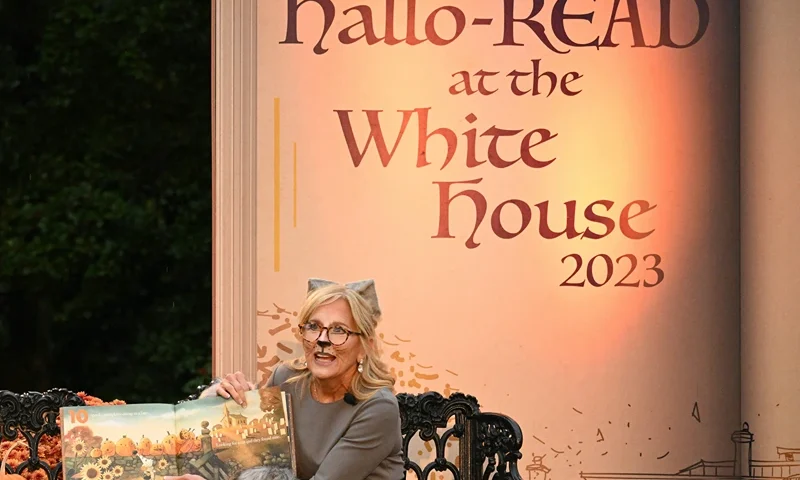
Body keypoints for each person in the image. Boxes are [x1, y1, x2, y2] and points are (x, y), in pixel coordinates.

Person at [201, 278, 404, 480]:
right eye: (314, 327)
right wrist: (232, 398)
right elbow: (249, 455)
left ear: (364, 347)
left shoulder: (379, 407)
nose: (322, 339)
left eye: (339, 330)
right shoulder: (286, 380)